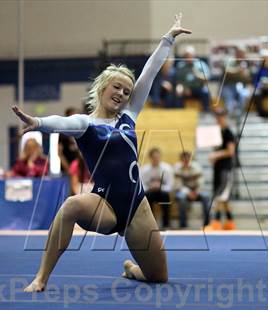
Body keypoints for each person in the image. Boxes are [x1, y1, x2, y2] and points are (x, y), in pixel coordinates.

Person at [12, 14, 191, 291]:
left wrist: (168, 39)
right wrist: (38, 123)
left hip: (137, 207)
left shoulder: (129, 116)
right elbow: (63, 122)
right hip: (105, 205)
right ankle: (41, 278)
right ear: (102, 88)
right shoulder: (86, 124)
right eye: (116, 87)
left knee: (159, 277)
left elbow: (149, 73)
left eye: (126, 90)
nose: (121, 93)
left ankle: (132, 269)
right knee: (71, 205)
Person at [207, 108, 236, 230]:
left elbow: (231, 151)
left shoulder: (228, 132)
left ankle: (216, 222)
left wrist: (216, 155)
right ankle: (230, 222)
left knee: (220, 195)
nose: (218, 119)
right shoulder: (218, 132)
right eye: (217, 117)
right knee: (224, 198)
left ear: (225, 117)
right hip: (218, 168)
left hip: (226, 168)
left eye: (220, 117)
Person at [174, 151, 210, 228]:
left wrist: (197, 191)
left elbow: (201, 182)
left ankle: (207, 224)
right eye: (184, 159)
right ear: (181, 160)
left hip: (197, 191)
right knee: (181, 198)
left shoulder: (197, 167)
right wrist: (188, 192)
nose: (186, 161)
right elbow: (178, 185)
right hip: (184, 192)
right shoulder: (177, 168)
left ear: (191, 159)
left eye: (188, 159)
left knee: (206, 196)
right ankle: (183, 225)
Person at [141, 148, 174, 229]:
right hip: (149, 192)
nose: (156, 159)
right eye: (154, 157)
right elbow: (141, 185)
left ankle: (166, 223)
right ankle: (150, 224)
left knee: (165, 196)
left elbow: (170, 185)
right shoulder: (144, 169)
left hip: (162, 192)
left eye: (158, 157)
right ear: (150, 158)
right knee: (146, 196)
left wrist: (160, 187)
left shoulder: (167, 168)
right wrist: (150, 187)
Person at [175, 45, 211, 111]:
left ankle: (206, 112)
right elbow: (179, 81)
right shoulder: (180, 66)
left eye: (190, 56)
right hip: (187, 89)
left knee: (205, 92)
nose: (189, 58)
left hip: (199, 88)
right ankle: (180, 112)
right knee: (178, 92)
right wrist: (184, 88)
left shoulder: (201, 64)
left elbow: (207, 78)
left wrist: (197, 75)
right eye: (187, 56)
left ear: (194, 55)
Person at [58, 107, 80, 175]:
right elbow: (59, 153)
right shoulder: (63, 134)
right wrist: (68, 169)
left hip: (80, 170)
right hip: (66, 170)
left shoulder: (82, 132)